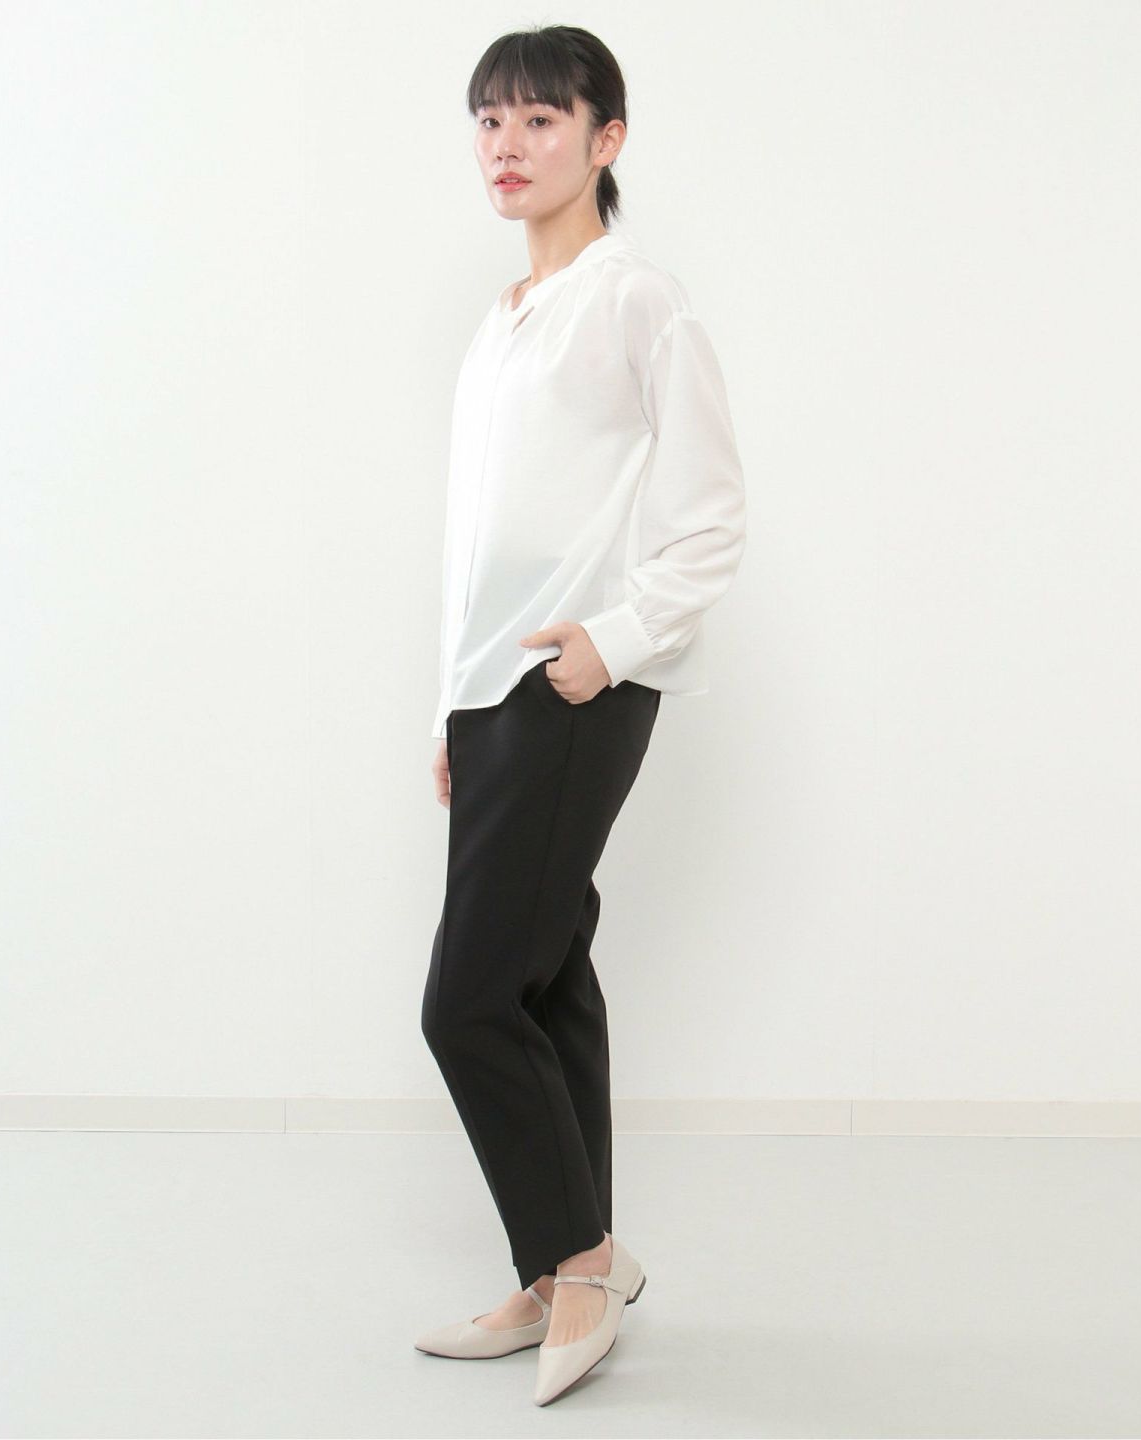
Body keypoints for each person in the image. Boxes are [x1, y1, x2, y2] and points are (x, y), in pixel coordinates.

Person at [415, 24, 747, 1406]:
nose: (508, 146)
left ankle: (587, 1260)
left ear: (606, 140)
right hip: (494, 693)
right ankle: (561, 1270)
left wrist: (610, 647)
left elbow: (712, 517)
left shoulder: (636, 300)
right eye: (490, 120)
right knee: (545, 982)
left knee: (466, 1003)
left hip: (574, 684)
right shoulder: (505, 319)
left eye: (541, 120)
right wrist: (451, 705)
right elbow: (484, 540)